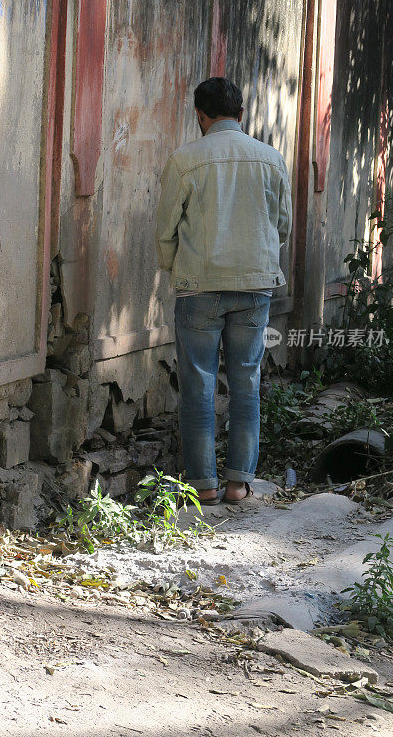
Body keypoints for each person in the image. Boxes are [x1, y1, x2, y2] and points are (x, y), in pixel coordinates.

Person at [155, 77, 292, 505]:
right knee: (247, 382)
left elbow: (166, 231)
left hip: (200, 287)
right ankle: (238, 483)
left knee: (198, 384)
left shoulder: (184, 160)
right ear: (241, 114)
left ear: (200, 115)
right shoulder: (271, 159)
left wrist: (174, 268)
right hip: (255, 287)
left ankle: (204, 486)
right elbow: (282, 224)